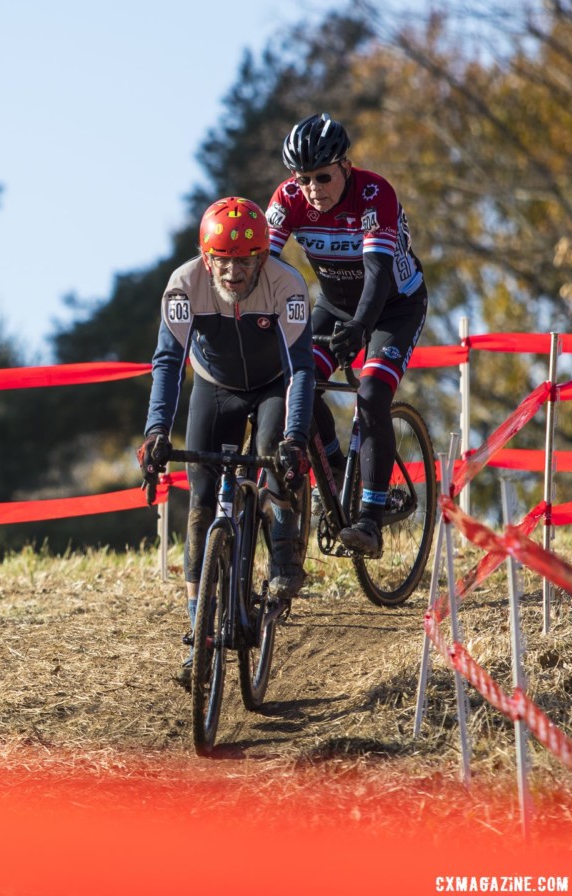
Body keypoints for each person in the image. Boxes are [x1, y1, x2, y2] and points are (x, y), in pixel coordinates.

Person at [137, 196, 315, 688]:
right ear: (206, 257)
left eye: (245, 261)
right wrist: (156, 432)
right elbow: (168, 364)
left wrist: (296, 438)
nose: (234, 273)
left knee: (277, 455)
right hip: (214, 386)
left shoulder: (288, 284)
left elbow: (302, 368)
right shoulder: (183, 285)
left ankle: (283, 542)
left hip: (273, 384)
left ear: (263, 257)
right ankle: (197, 626)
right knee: (199, 498)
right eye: (223, 261)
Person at [267, 112, 429, 557]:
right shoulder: (288, 199)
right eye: (304, 180)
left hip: (395, 306)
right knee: (296, 383)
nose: (313, 190)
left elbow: (377, 275)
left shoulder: (374, 193)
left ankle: (371, 520)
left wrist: (360, 327)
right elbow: (260, 265)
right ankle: (336, 473)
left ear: (345, 166)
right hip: (335, 306)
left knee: (372, 393)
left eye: (323, 177)